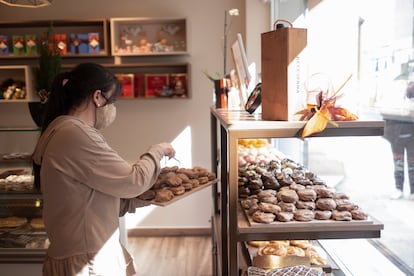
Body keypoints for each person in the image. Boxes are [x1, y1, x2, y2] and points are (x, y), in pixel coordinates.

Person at [32, 63, 175, 275]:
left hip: (77, 252)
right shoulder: (75, 134)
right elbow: (133, 181)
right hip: (87, 260)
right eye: (112, 100)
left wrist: (149, 196)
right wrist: (157, 151)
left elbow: (89, 196)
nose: (112, 108)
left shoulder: (59, 129)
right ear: (97, 97)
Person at [383, 81, 414, 200]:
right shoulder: (397, 100)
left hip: (411, 137)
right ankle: (399, 188)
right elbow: (387, 116)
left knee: (412, 165)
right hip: (397, 136)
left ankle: (412, 191)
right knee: (398, 164)